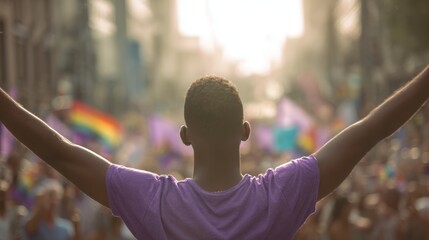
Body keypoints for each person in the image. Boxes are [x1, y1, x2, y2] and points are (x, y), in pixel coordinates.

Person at [0, 64, 428, 239]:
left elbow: (58, 151)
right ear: (245, 131)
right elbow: (370, 130)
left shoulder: (156, 204)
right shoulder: (278, 197)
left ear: (185, 137)